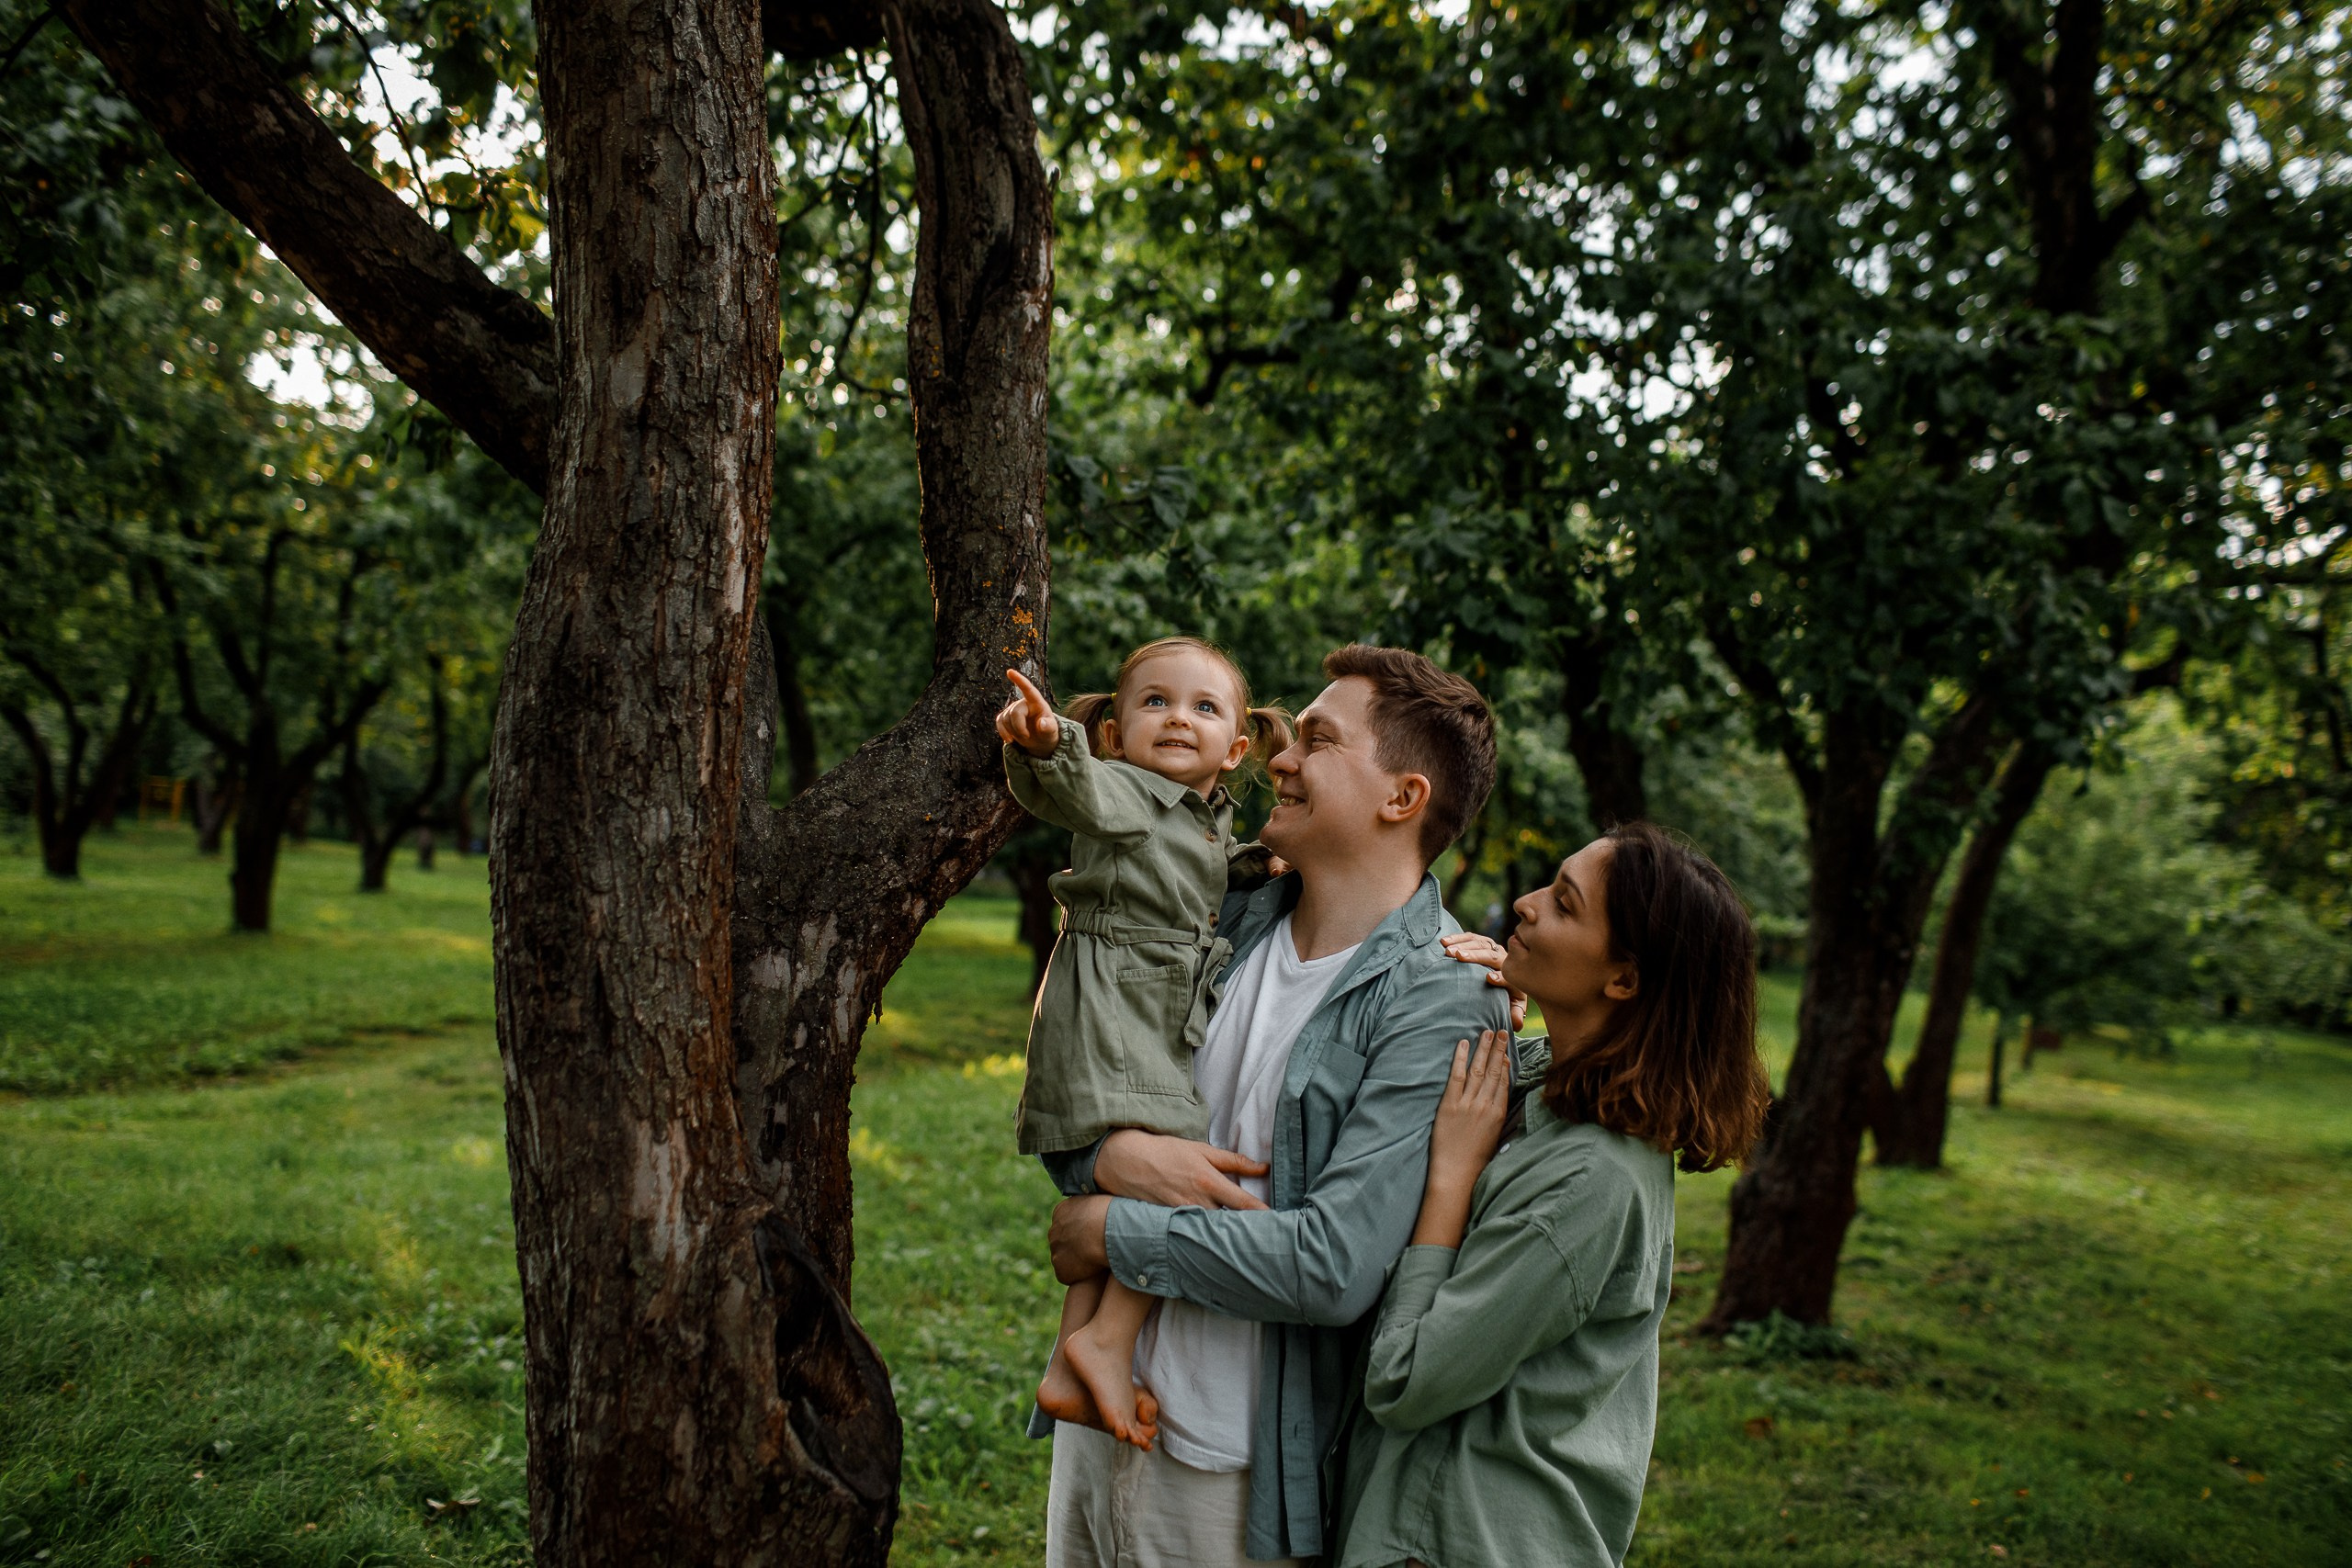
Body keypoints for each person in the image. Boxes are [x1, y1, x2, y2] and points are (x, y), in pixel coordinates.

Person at [1039, 644, 1511, 1568]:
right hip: (1099, 1412)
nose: (1280, 758)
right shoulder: (1220, 911)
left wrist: (1106, 1228)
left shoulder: (1442, 994)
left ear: (1401, 798)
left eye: (1316, 740)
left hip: (1231, 1474)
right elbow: (1080, 1077)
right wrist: (1103, 1167)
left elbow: (1331, 1267)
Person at [1331, 822, 1773, 1568]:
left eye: (1564, 905)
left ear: (1624, 978)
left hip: (1458, 1540)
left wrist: (1451, 1179)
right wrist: (1469, 1002)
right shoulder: (1546, 1083)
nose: (1525, 906)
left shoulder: (1590, 1178)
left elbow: (1409, 1380)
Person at [998, 638, 1295, 1449]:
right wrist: (1045, 741)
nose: (1177, 718)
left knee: (1153, 1173)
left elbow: (1194, 868)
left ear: (1235, 748)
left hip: (1148, 1012)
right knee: (1175, 1166)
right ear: (1117, 735)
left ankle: (1073, 1357)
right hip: (1113, 1011)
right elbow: (1073, 790)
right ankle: (1104, 1340)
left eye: (1203, 707)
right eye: (1155, 702)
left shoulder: (1205, 817)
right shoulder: (1122, 789)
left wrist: (1245, 865)